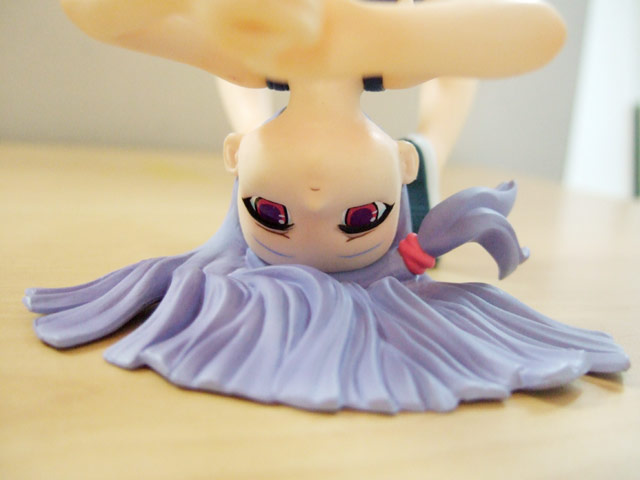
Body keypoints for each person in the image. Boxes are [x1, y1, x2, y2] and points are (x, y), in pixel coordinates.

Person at [24, 1, 629, 412]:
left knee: (431, 135)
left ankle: (414, 159)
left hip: (386, 190)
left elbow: (539, 31)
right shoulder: (260, 65)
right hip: (312, 150)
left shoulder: (361, 70)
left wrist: (349, 31)